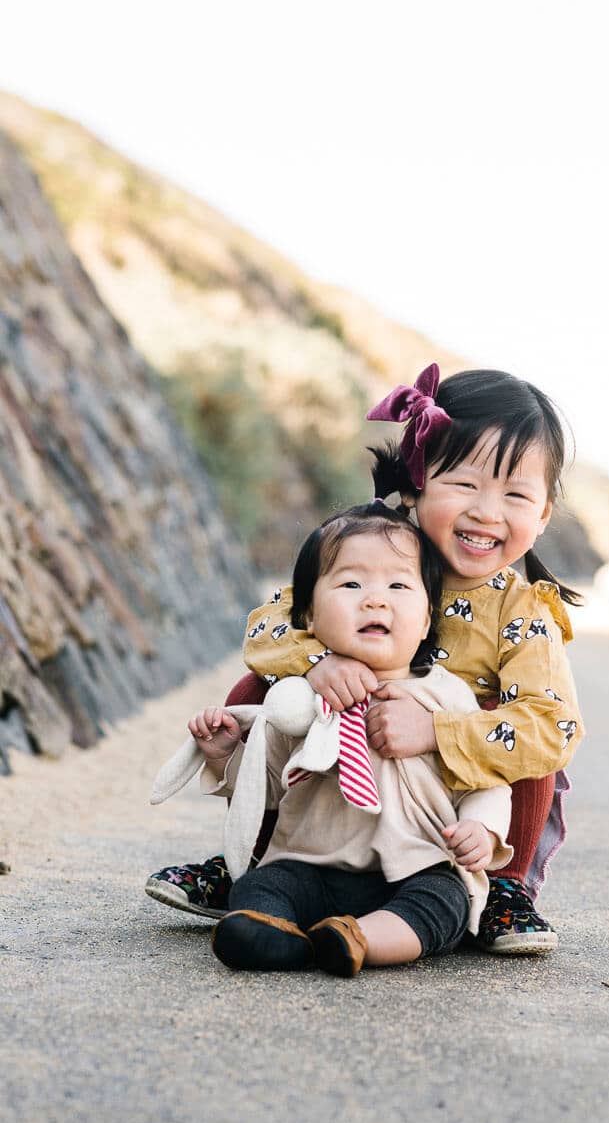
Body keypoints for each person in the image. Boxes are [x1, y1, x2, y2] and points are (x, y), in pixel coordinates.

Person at [146, 363, 585, 953]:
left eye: (516, 495)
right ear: (416, 483)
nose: (488, 512)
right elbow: (269, 625)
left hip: (444, 792)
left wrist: (436, 730)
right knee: (262, 691)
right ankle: (257, 857)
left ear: (543, 514)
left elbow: (554, 726)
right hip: (344, 750)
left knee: (525, 742)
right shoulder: (369, 547)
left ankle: (503, 887)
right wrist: (317, 664)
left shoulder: (522, 611)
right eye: (465, 484)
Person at [165, 503, 513, 976]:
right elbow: (268, 783)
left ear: (427, 619)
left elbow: (484, 776)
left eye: (398, 586)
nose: (375, 601)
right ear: (308, 615)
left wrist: (481, 828)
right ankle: (277, 937)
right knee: (259, 887)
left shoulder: (445, 695)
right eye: (351, 585)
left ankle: (358, 939)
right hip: (308, 866)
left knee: (443, 902)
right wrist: (225, 754)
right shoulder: (298, 696)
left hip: (415, 866)